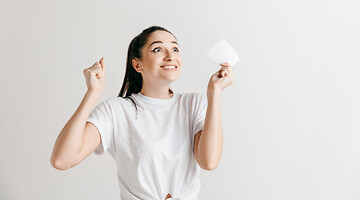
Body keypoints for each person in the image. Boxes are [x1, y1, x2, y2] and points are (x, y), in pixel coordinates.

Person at [50, 25, 234, 200]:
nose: (170, 56)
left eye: (175, 49)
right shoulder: (117, 111)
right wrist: (92, 94)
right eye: (158, 50)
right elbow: (62, 160)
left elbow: (209, 161)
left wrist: (214, 93)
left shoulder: (194, 104)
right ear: (137, 65)